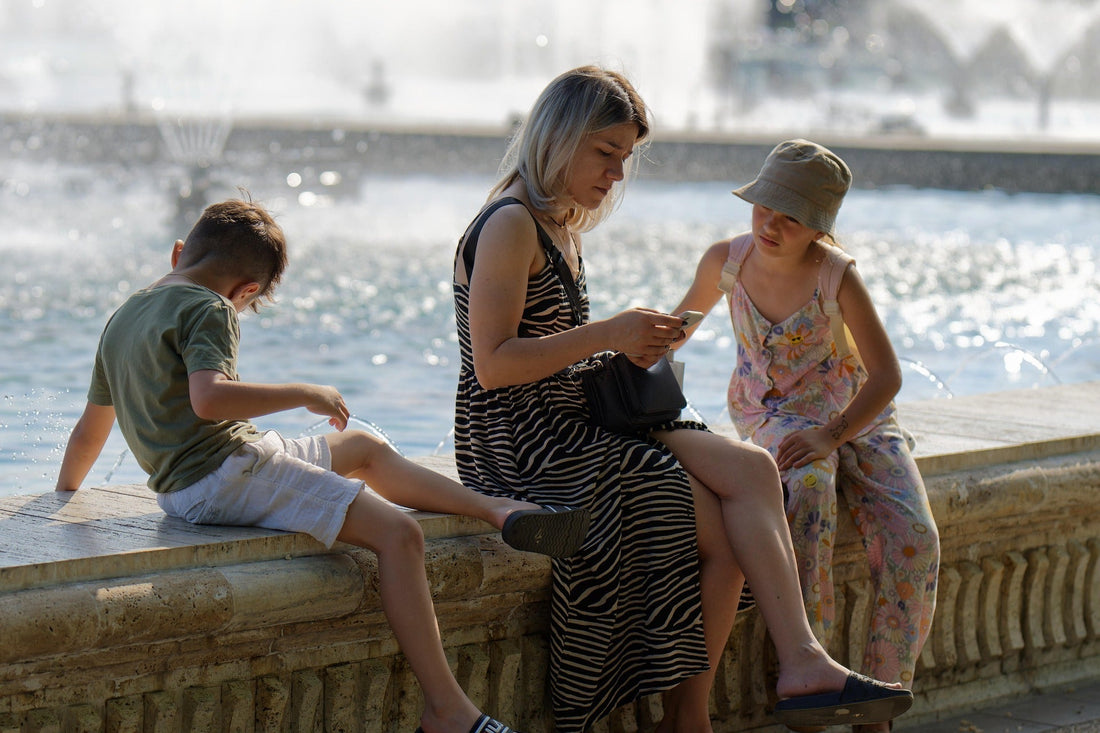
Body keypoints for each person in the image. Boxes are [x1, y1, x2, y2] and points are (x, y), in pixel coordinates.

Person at [452, 66, 913, 733]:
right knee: (708, 519)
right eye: (605, 153)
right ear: (558, 137)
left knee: (753, 471)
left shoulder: (559, 224)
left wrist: (629, 346)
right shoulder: (510, 225)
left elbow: (556, 346)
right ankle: (691, 716)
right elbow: (493, 367)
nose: (616, 174)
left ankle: (799, 659)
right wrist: (610, 333)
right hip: (522, 441)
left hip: (578, 413)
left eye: (625, 158)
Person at [55, 197, 593, 733]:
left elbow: (89, 431)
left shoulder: (124, 316)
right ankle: (448, 710)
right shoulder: (209, 309)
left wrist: (62, 501)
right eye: (247, 304)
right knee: (401, 535)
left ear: (179, 253)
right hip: (224, 476)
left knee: (360, 448)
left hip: (207, 475)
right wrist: (304, 392)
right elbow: (210, 399)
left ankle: (499, 510)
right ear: (247, 292)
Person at [671, 139, 941, 733]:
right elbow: (677, 330)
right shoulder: (728, 261)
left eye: (790, 216)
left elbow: (887, 376)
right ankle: (811, 685)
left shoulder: (835, 275)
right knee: (809, 491)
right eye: (764, 206)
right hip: (772, 416)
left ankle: (879, 707)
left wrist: (832, 433)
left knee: (915, 537)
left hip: (854, 415)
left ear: (818, 227)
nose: (770, 223)